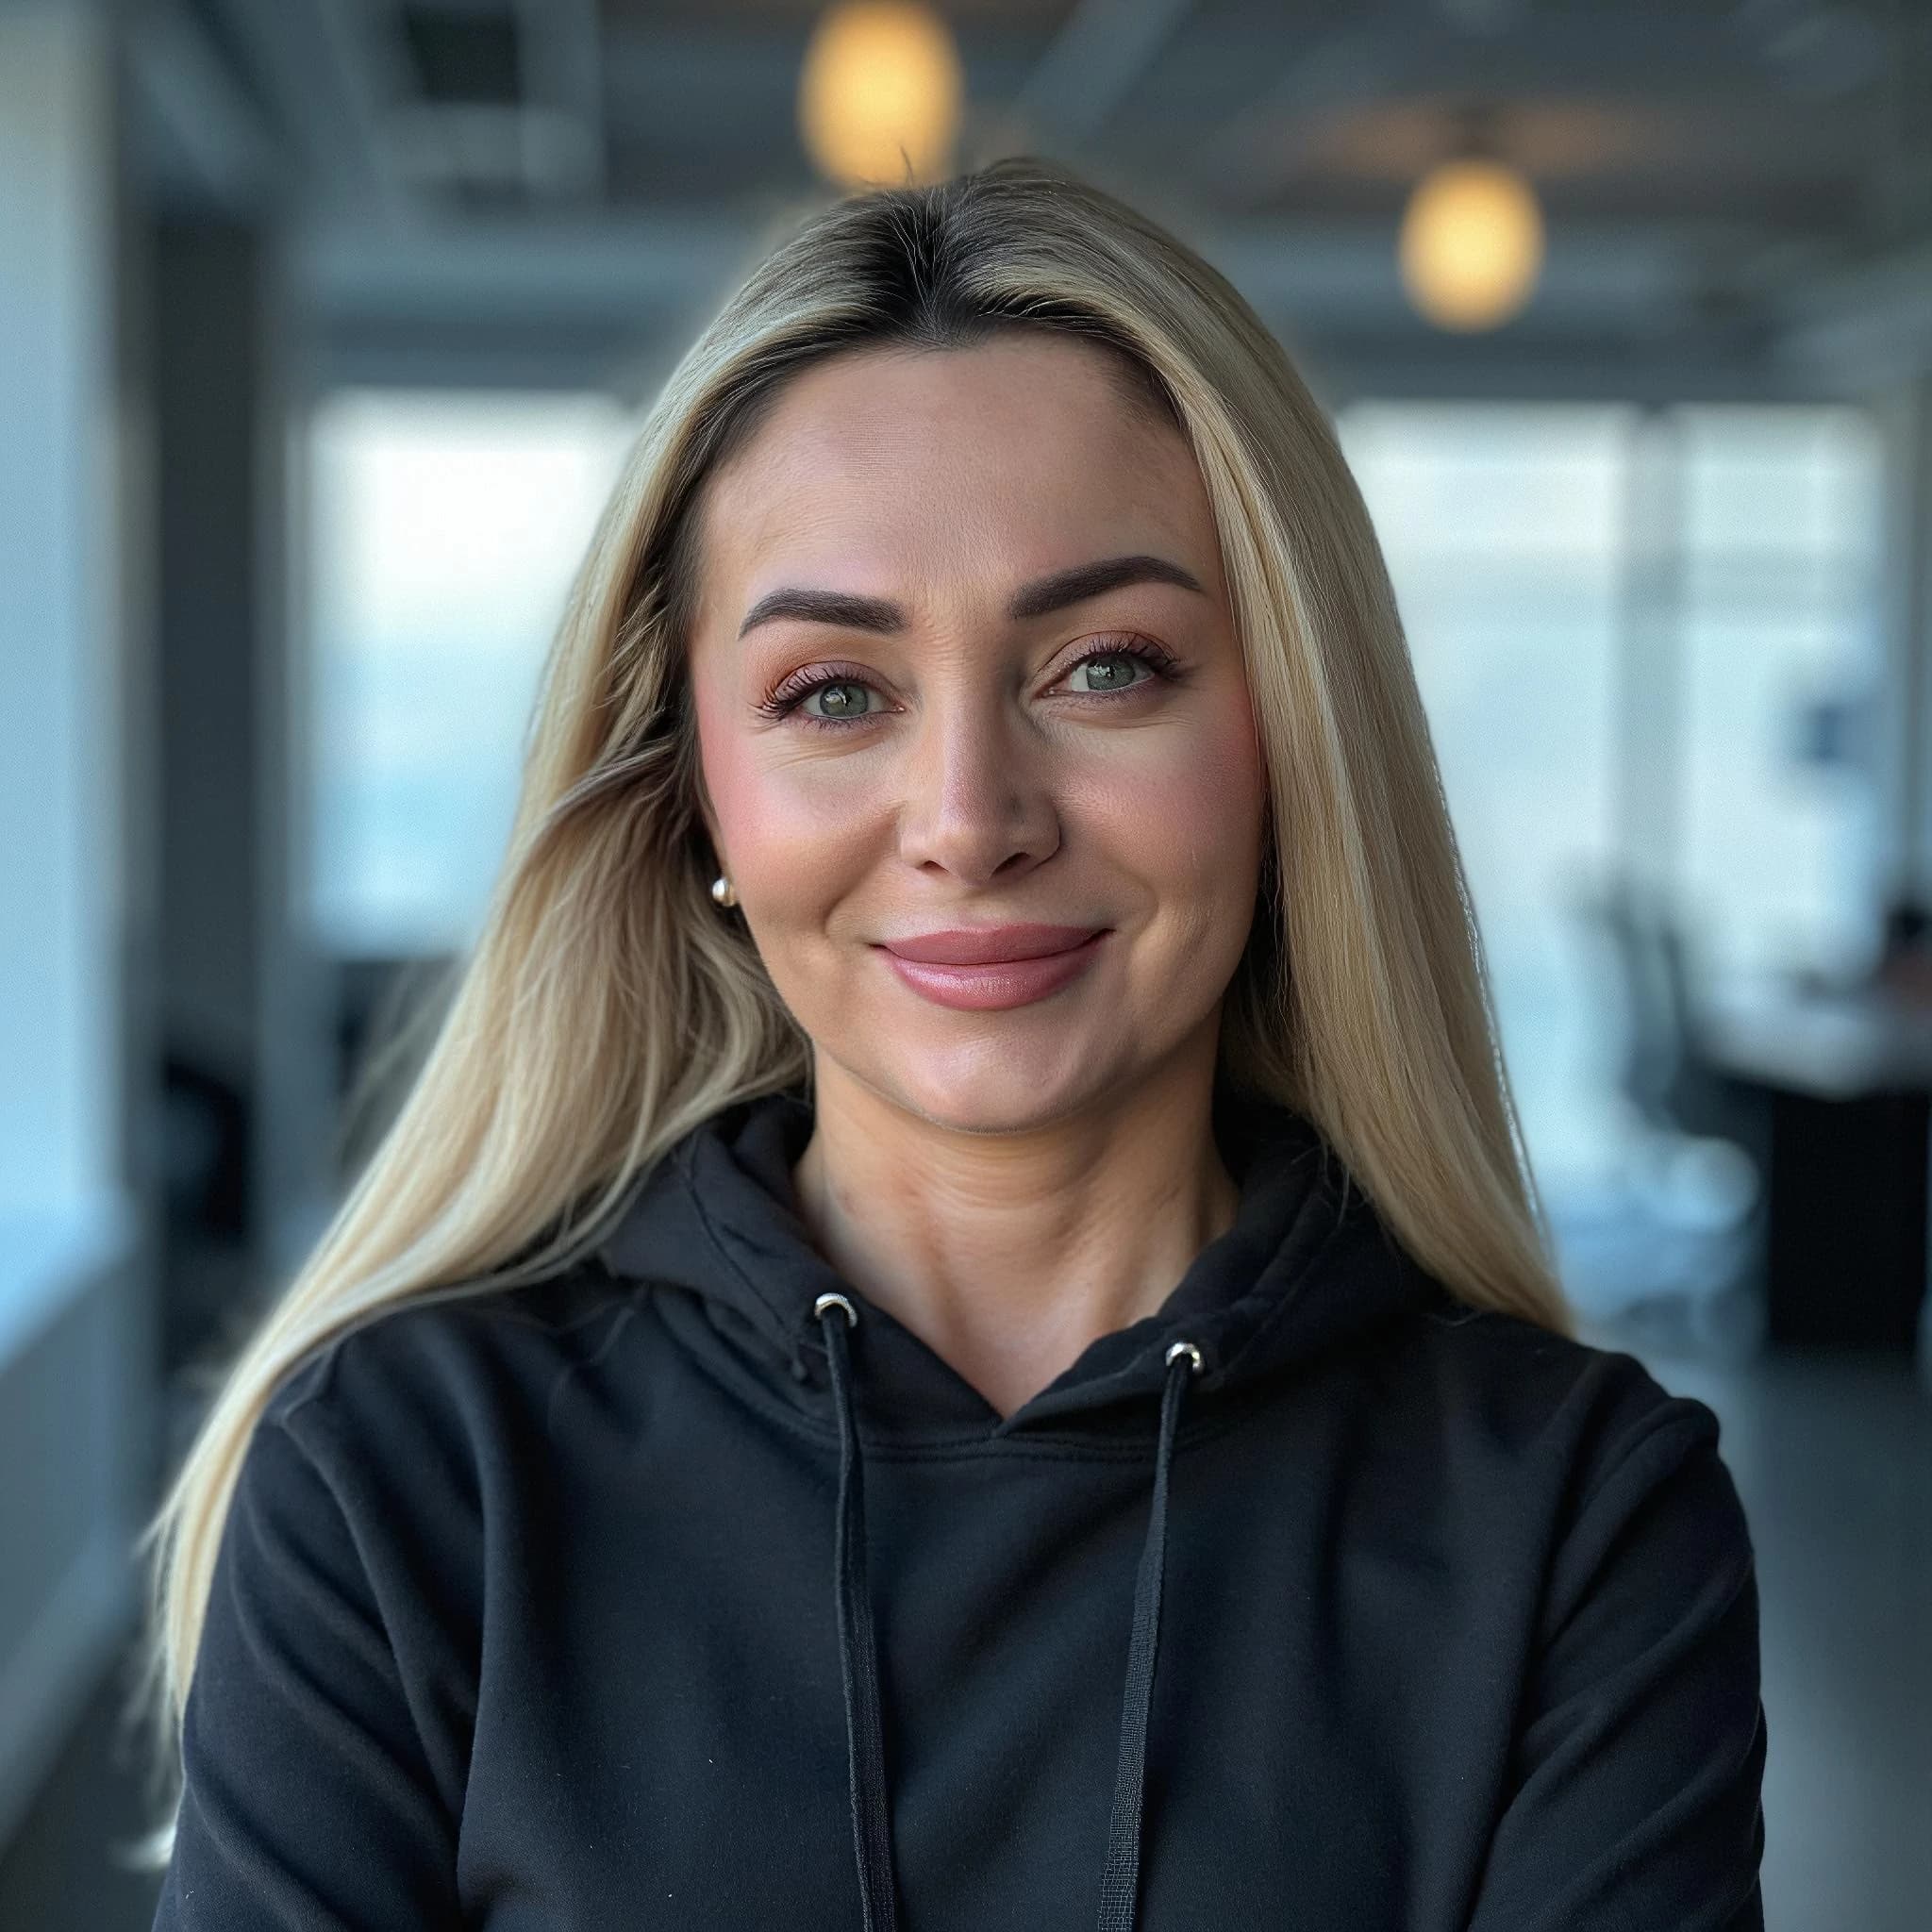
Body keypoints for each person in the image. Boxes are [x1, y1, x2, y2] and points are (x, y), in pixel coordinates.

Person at [131, 158, 1767, 1929]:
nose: (971, 818)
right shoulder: (400, 1480)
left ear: (1295, 739)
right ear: (697, 798)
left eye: (1107, 666)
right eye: (836, 693)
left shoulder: (1578, 1520)